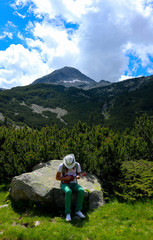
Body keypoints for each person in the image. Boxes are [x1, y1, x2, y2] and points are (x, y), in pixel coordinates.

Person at [56, 154, 86, 221]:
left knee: (81, 190)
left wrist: (79, 176)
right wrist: (65, 178)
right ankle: (68, 213)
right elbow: (57, 177)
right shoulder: (61, 166)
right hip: (64, 184)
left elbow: (79, 174)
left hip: (74, 183)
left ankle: (78, 210)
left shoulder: (77, 165)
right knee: (68, 191)